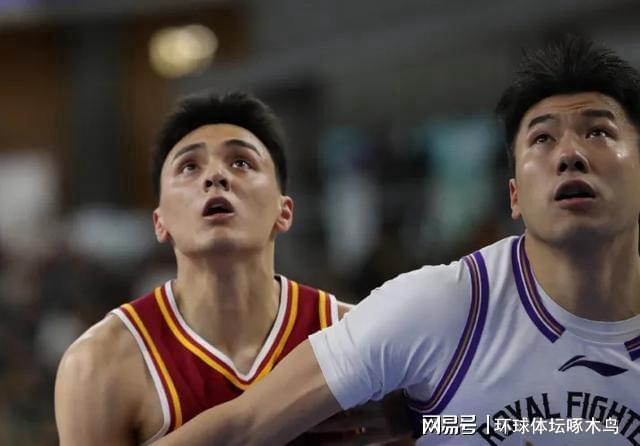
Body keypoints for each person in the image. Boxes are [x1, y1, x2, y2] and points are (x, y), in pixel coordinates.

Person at [150, 35, 640, 446]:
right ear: (515, 196)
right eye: (542, 138)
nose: (570, 154)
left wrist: (431, 422)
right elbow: (242, 426)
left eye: (598, 132)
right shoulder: (444, 306)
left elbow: (577, 426)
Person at [54, 92, 361, 445]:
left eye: (241, 162)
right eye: (189, 166)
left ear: (284, 211)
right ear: (160, 222)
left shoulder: (355, 333)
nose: (215, 175)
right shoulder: (99, 362)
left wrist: (410, 418)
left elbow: (425, 429)